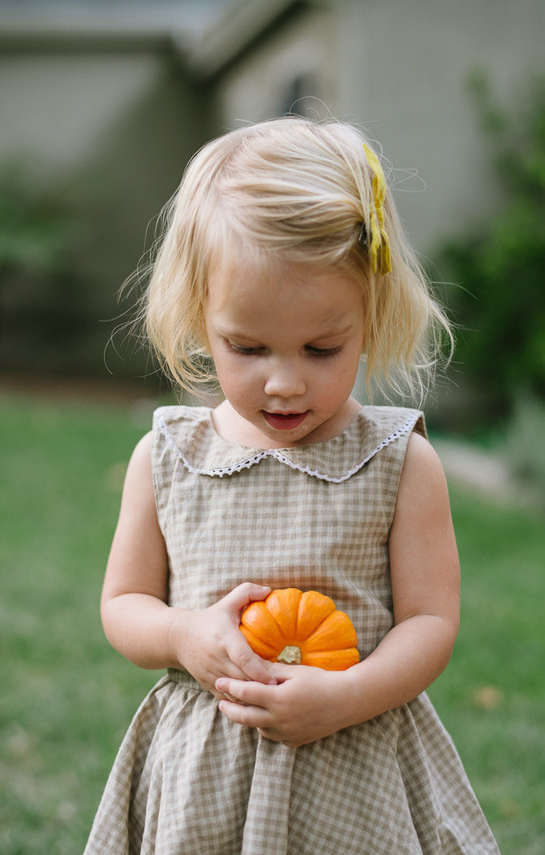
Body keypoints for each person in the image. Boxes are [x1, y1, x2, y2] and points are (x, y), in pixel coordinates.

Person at [84, 117, 500, 854]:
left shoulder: (400, 462)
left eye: (321, 347)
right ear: (199, 319)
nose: (283, 380)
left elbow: (431, 622)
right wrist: (185, 633)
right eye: (247, 347)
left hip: (353, 765)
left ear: (370, 315)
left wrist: (346, 696)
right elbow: (124, 605)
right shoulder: (169, 457)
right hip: (205, 769)